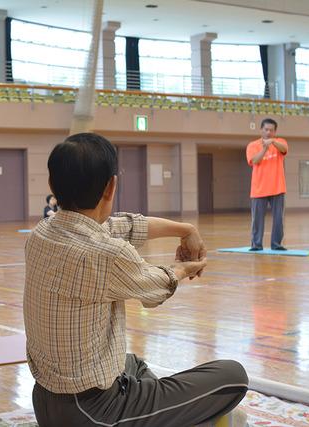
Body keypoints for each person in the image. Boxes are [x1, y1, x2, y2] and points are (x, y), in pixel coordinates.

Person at [24, 133, 248, 427]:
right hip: (91, 413)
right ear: (111, 186)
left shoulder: (43, 232)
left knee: (132, 363)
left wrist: (185, 229)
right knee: (233, 377)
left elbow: (126, 226)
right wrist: (185, 268)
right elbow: (154, 290)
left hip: (46, 402)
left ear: (52, 185)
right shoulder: (106, 253)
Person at [246, 118, 288, 251]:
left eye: (271, 130)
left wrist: (273, 142)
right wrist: (264, 148)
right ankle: (256, 245)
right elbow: (255, 161)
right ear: (261, 130)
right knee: (257, 220)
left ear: (275, 132)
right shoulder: (252, 145)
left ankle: (276, 244)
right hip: (259, 189)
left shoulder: (280, 142)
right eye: (266, 129)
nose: (268, 132)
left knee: (278, 220)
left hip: (277, 188)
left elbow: (284, 149)